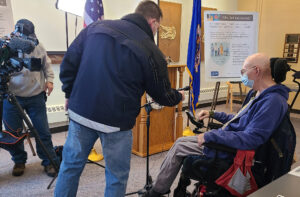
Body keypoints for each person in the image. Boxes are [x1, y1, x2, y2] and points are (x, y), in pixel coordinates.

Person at [55, 1, 184, 197]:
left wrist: (68, 93)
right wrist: (179, 96)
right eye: (158, 26)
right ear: (153, 22)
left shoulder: (95, 28)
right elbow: (162, 95)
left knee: (69, 167)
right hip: (116, 123)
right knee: (117, 176)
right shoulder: (151, 51)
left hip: (80, 111)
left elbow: (68, 63)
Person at [144, 53, 290, 196]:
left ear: (257, 71)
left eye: (243, 71)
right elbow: (239, 120)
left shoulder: (273, 102)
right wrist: (213, 113)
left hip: (236, 150)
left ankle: (156, 192)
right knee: (180, 143)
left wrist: (211, 136)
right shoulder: (257, 94)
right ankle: (160, 188)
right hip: (230, 138)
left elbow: (251, 139)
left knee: (180, 145)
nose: (242, 75)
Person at [3, 19, 60, 177]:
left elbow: (46, 66)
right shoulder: (5, 47)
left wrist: (49, 81)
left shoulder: (38, 45)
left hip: (35, 96)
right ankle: (19, 161)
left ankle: (49, 161)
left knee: (43, 132)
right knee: (13, 133)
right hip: (12, 96)